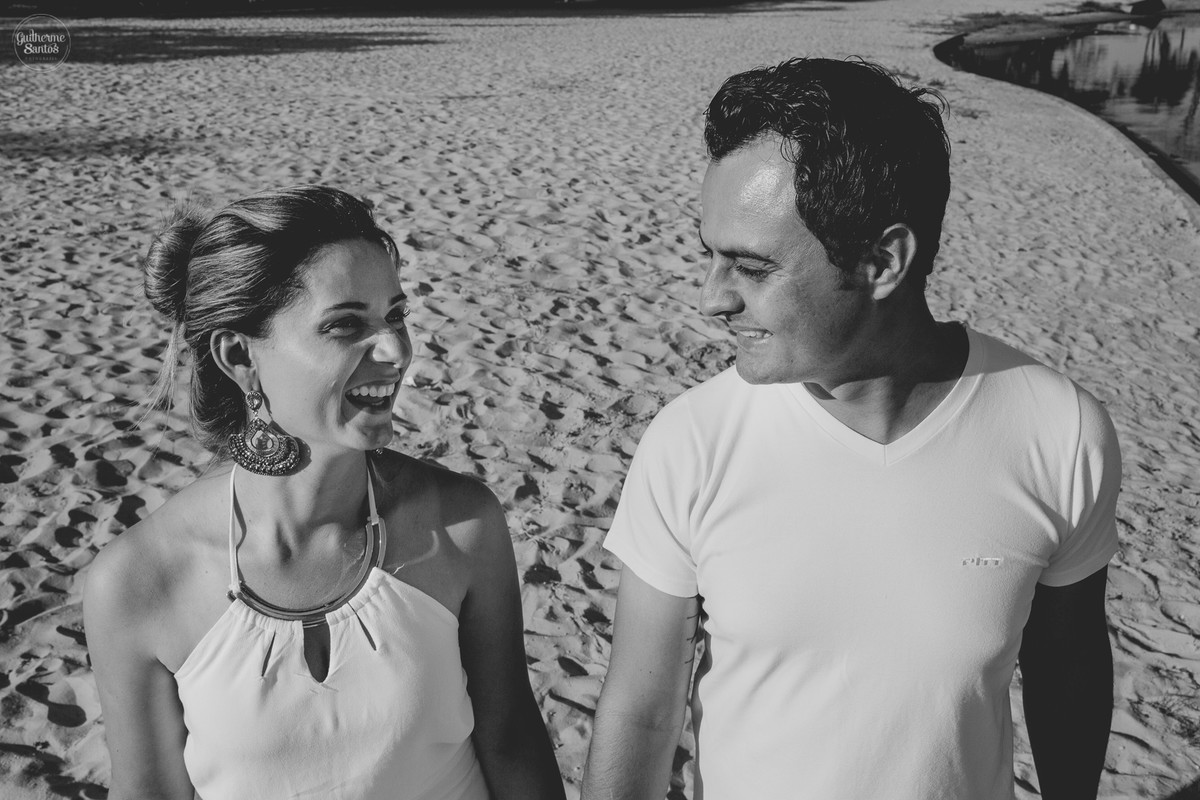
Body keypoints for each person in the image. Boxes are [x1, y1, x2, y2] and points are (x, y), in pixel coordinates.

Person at [583, 58, 1120, 800]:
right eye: (709, 254)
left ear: (882, 262)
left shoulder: (1056, 431)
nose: (711, 300)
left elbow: (1069, 673)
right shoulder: (692, 442)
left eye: (750, 267)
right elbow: (642, 710)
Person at [83, 185, 566, 800]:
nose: (395, 351)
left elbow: (511, 737)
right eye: (345, 325)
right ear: (239, 355)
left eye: (396, 315)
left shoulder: (462, 525)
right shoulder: (137, 582)